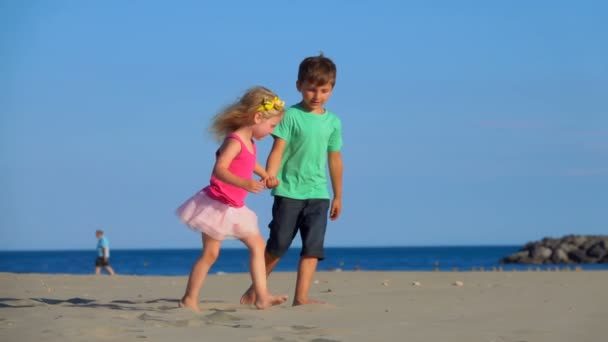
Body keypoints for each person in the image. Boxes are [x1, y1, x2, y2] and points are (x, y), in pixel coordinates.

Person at [241, 54, 343, 306]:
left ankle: (301, 297)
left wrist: (338, 194)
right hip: (288, 191)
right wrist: (270, 174)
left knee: (312, 248)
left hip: (318, 193)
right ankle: (256, 289)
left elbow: (335, 160)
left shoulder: (333, 122)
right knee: (278, 244)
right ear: (299, 86)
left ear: (332, 88)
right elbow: (278, 149)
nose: (317, 95)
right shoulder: (290, 116)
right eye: (311, 89)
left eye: (324, 90)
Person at [176, 86, 288, 312]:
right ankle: (189, 299)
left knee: (258, 245)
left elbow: (248, 162)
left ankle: (262, 296)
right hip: (217, 204)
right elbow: (220, 169)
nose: (271, 130)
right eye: (271, 125)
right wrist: (245, 183)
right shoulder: (234, 140)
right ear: (257, 117)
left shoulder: (250, 143)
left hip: (234, 206)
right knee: (210, 254)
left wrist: (265, 175)